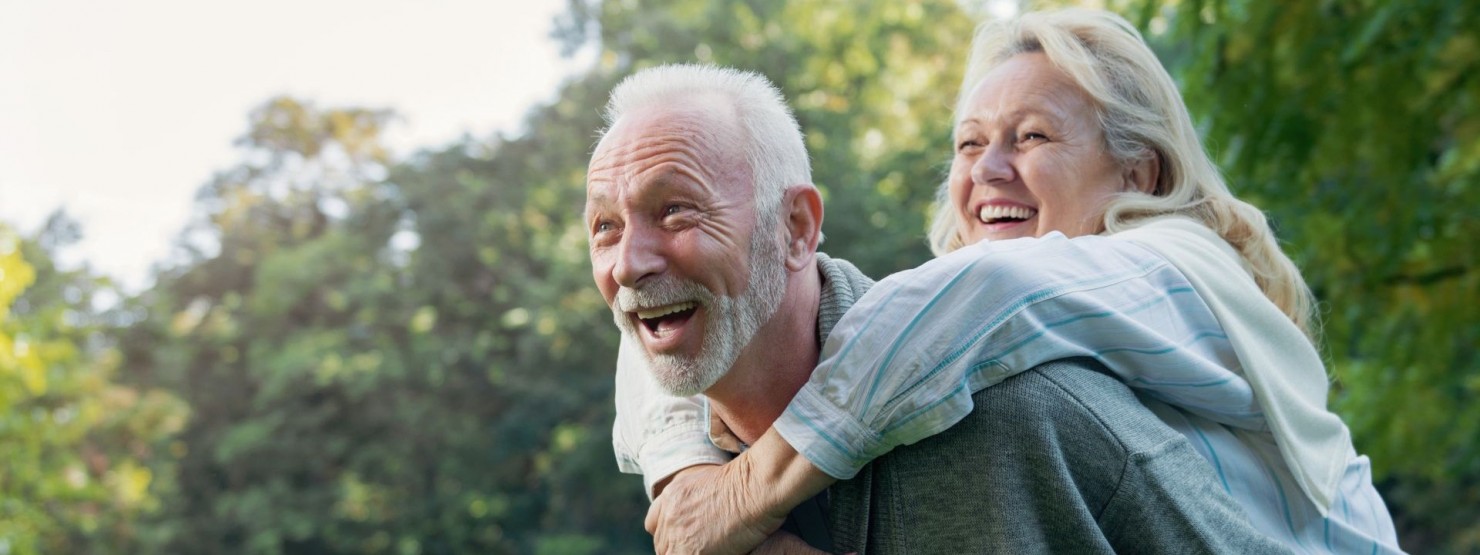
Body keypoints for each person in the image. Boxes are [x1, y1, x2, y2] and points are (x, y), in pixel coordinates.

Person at [624, 9, 1404, 555]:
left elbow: (990, 295)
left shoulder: (1181, 267)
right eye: (968, 144)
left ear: (1140, 169)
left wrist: (744, 497)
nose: (988, 169)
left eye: (1031, 137)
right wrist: (685, 471)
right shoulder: (938, 329)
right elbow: (689, 312)